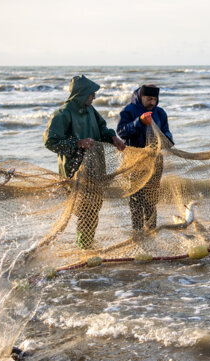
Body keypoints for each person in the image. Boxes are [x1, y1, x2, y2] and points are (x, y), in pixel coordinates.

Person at [44, 75, 126, 249]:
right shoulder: (62, 113)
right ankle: (83, 246)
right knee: (84, 210)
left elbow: (102, 128)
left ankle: (86, 244)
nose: (94, 97)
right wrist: (77, 143)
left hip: (96, 165)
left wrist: (113, 137)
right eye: (91, 94)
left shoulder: (91, 110)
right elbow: (50, 141)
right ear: (81, 94)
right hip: (75, 169)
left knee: (94, 207)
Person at [117, 84, 174, 231]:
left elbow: (166, 131)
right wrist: (139, 122)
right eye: (149, 98)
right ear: (140, 97)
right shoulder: (128, 111)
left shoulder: (160, 112)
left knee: (151, 196)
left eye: (155, 99)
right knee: (136, 197)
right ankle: (137, 229)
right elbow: (121, 132)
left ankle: (151, 229)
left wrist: (166, 140)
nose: (152, 102)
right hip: (135, 160)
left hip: (155, 161)